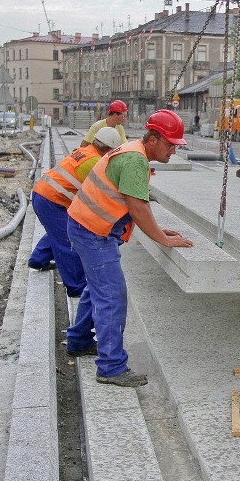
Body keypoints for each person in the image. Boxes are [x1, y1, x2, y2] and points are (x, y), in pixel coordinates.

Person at [66, 109, 194, 388]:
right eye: (170, 143)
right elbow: (138, 206)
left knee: (96, 288)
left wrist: (159, 230)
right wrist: (163, 238)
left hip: (84, 225)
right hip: (92, 232)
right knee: (112, 296)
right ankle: (111, 367)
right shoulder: (135, 160)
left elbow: (135, 202)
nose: (174, 150)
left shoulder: (134, 151)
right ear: (153, 139)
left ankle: (78, 341)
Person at [27, 127, 123, 289]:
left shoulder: (86, 151)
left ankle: (38, 259)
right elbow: (105, 190)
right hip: (52, 200)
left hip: (44, 195)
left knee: (59, 232)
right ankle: (76, 286)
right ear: (108, 149)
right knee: (67, 242)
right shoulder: (94, 162)